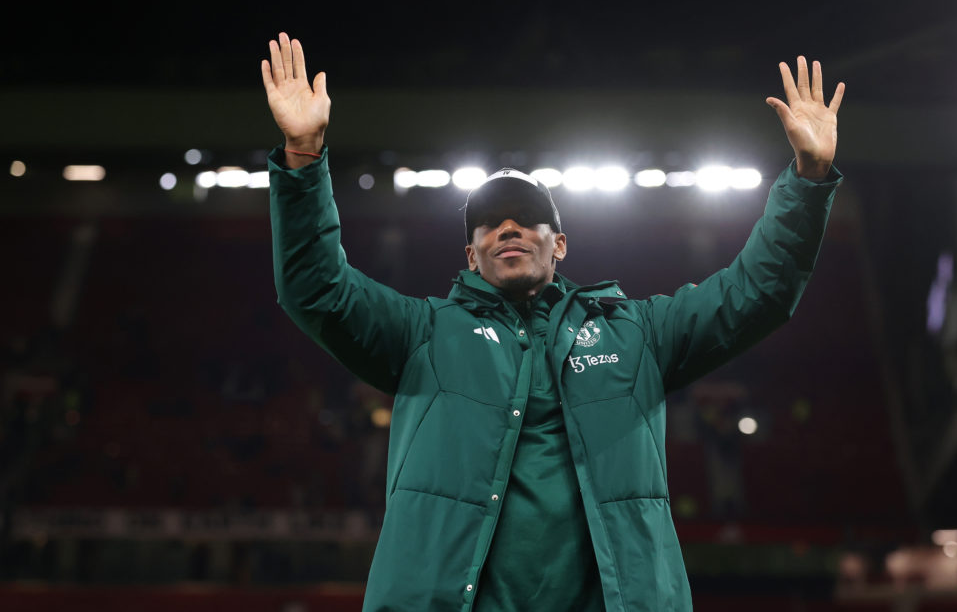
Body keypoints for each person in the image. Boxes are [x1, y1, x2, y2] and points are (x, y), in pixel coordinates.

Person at [261, 31, 845, 612]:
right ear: (471, 256)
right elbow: (316, 289)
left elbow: (755, 294)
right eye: (488, 224)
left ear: (559, 244)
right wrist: (304, 158)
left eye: (527, 219)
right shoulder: (423, 334)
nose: (507, 228)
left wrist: (808, 180)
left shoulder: (635, 333)